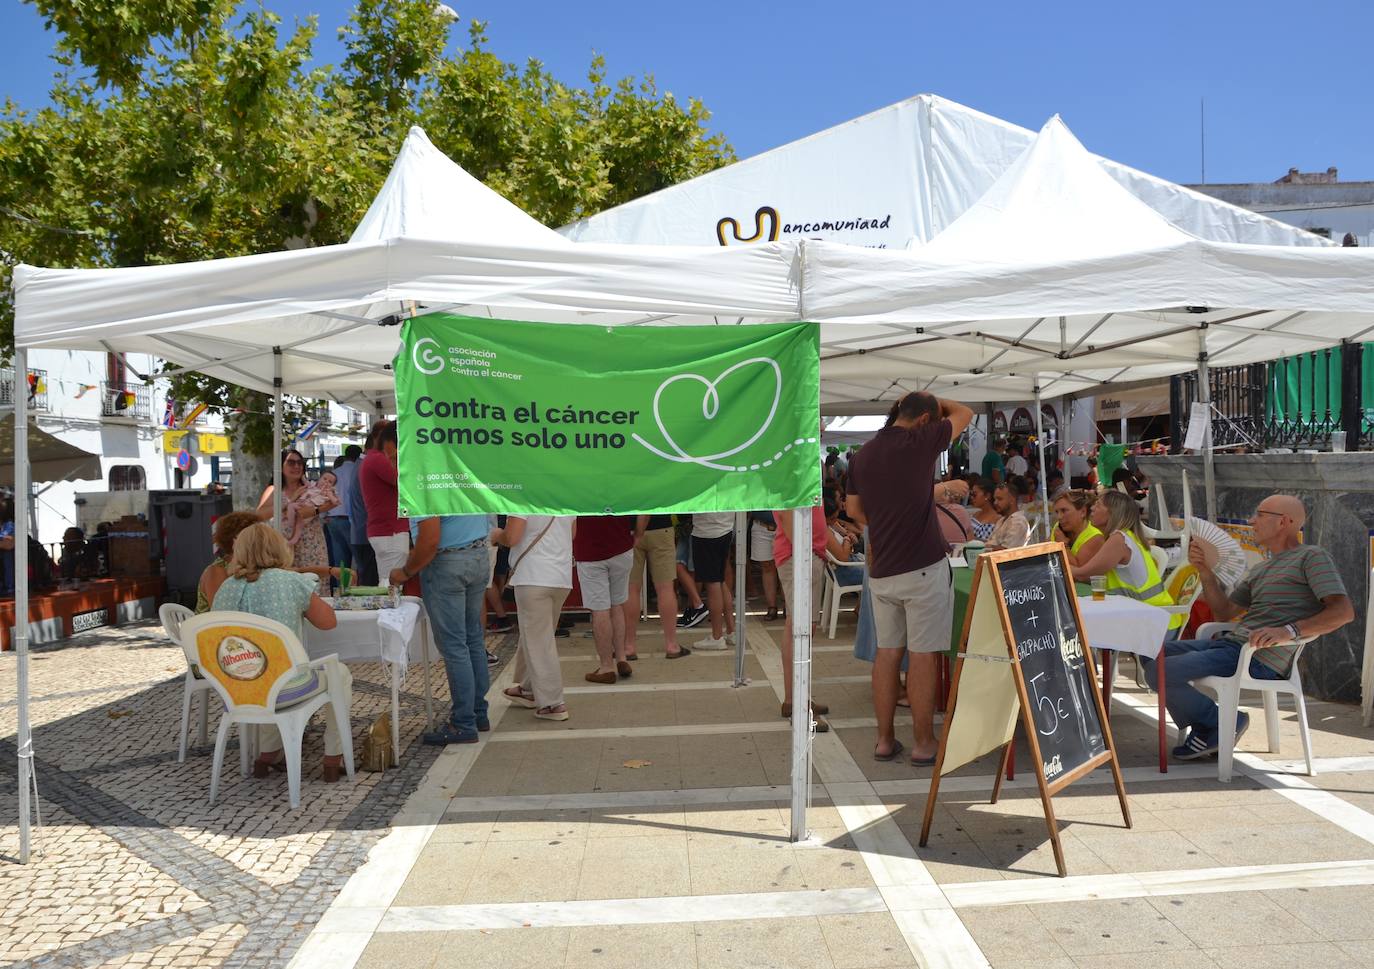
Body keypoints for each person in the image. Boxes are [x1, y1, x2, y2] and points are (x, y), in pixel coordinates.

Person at [1143, 495, 1353, 760]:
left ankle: (1221, 723)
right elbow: (1224, 611)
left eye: (1260, 514)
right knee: (1147, 651)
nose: (1251, 520)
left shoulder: (1311, 557)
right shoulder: (1262, 568)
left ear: (1284, 522)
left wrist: (1289, 631)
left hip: (1258, 655)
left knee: (1159, 670)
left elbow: (1343, 612)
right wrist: (1205, 572)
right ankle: (1212, 724)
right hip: (1231, 644)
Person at [847, 391, 974, 765]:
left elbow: (854, 509)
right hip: (922, 566)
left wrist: (887, 520)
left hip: (883, 569)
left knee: (887, 654)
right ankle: (923, 743)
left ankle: (884, 740)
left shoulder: (863, 453)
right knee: (922, 656)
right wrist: (938, 403)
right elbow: (965, 410)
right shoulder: (922, 439)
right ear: (924, 420)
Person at [211, 523, 351, 782]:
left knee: (260, 669)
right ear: (279, 548)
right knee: (337, 674)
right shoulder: (290, 582)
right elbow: (328, 622)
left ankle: (268, 754)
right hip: (285, 689)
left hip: (237, 689)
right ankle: (334, 756)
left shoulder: (226, 589)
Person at [388, 513, 491, 745]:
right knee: (472, 638)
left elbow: (430, 540)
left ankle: (463, 722)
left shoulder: (426, 480)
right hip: (477, 554)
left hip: (447, 562)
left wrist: (405, 573)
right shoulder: (463, 475)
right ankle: (478, 713)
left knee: (455, 645)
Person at [773, 500, 851, 733]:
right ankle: (797, 704)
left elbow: (813, 520)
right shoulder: (792, 470)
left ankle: (796, 699)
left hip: (805, 554)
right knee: (801, 629)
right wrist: (805, 554)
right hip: (799, 556)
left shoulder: (800, 470)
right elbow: (788, 516)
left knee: (801, 628)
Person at [493, 514, 575, 721]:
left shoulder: (521, 497)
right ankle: (528, 688)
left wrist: (496, 534)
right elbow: (572, 534)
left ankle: (553, 703)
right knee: (538, 635)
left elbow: (512, 537)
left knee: (539, 642)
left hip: (533, 576)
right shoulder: (566, 495)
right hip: (561, 576)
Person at [1071, 490, 1184, 634]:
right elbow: (1088, 576)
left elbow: (1083, 574)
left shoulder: (1119, 539)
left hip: (1154, 625)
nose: (1092, 508)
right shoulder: (1126, 537)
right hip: (1154, 619)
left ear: (1113, 512)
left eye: (1098, 505)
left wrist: (1058, 563)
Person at [257, 448, 337, 594]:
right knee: (287, 586)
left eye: (300, 463)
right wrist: (289, 502)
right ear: (280, 466)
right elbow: (260, 515)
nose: (297, 466)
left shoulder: (311, 487)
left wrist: (315, 509)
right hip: (283, 545)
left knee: (314, 586)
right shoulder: (274, 490)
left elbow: (329, 503)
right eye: (291, 463)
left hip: (311, 544)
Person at [575, 515, 637, 684]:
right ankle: (622, 658)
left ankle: (606, 667)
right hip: (622, 546)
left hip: (590, 550)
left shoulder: (578, 487)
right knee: (616, 604)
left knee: (600, 609)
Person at [623, 513, 690, 660]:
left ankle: (629, 646)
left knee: (631, 589)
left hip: (629, 529)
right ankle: (671, 645)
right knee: (665, 588)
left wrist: (638, 531)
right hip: (661, 527)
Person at [360, 422, 410, 585]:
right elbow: (404, 482)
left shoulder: (373, 459)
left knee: (389, 584)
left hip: (387, 531)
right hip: (390, 532)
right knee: (391, 585)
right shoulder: (377, 459)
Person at [195, 511, 263, 613]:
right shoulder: (216, 571)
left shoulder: (251, 566)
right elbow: (221, 613)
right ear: (235, 540)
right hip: (212, 627)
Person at [690, 511, 737, 649]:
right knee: (719, 580)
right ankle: (731, 630)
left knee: (713, 582)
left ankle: (717, 637)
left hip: (707, 531)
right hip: (725, 527)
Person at [347, 434, 379, 586]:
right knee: (370, 584)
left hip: (360, 533)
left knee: (367, 580)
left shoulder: (359, 465)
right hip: (367, 534)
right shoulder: (366, 466)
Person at [325, 446, 361, 572]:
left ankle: (340, 588)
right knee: (359, 560)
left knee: (339, 561)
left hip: (332, 518)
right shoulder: (357, 471)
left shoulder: (335, 472)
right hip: (350, 520)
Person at [1051, 490, 1105, 567]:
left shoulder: (1095, 537)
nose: (1059, 517)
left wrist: (1062, 544)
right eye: (1057, 512)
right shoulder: (1058, 527)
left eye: (1064, 511)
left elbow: (1078, 570)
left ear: (1083, 512)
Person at [674, 517, 709, 628]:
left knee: (692, 569)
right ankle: (694, 607)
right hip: (686, 525)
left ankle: (695, 607)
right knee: (680, 565)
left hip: (697, 526)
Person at [749, 511, 781, 621]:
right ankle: (771, 606)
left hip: (785, 525)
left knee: (786, 567)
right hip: (761, 525)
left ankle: (789, 607)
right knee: (767, 566)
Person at [986, 481, 1029, 550]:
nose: (995, 502)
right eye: (995, 499)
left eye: (1000, 499)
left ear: (1012, 500)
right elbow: (992, 543)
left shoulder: (1018, 522)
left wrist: (983, 547)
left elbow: (1006, 551)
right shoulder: (1002, 520)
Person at [933, 479, 973, 548]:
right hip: (959, 556)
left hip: (933, 556)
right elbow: (970, 540)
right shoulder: (961, 511)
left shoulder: (923, 513)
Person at [967, 478, 1000, 543]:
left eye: (974, 494)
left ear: (987, 495)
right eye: (971, 494)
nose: (972, 497)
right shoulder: (975, 514)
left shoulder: (998, 519)